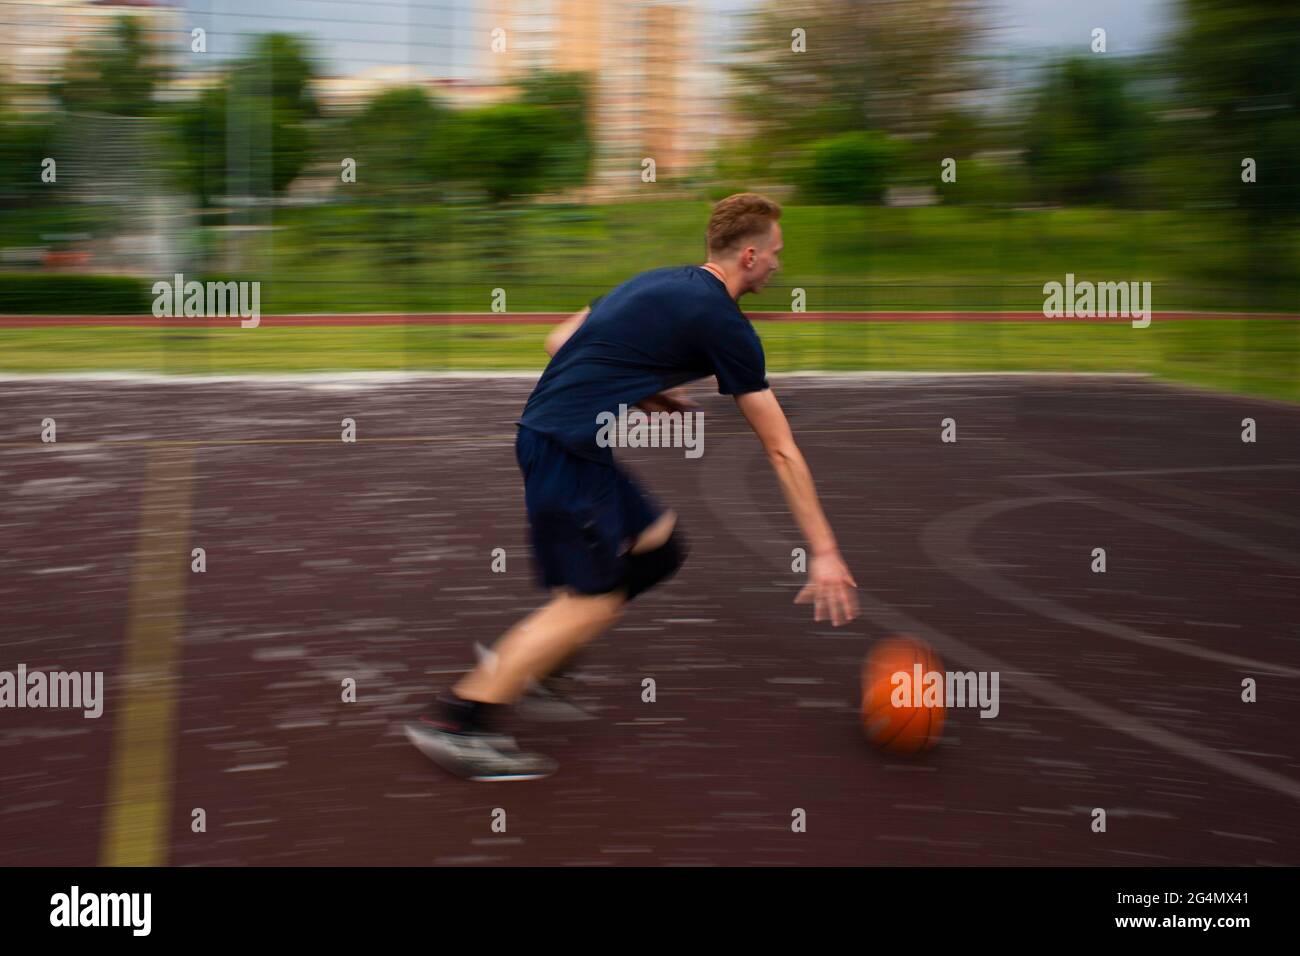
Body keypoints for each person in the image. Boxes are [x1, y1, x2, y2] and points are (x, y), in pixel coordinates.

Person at [405, 193, 859, 781]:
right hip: (564, 452)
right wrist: (823, 552)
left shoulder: (660, 282)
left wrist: (644, 389)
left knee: (658, 549)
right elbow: (780, 448)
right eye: (776, 254)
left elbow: (558, 339)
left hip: (565, 443)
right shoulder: (726, 325)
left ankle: (539, 666)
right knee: (591, 601)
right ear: (749, 255)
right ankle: (459, 722)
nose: (778, 265)